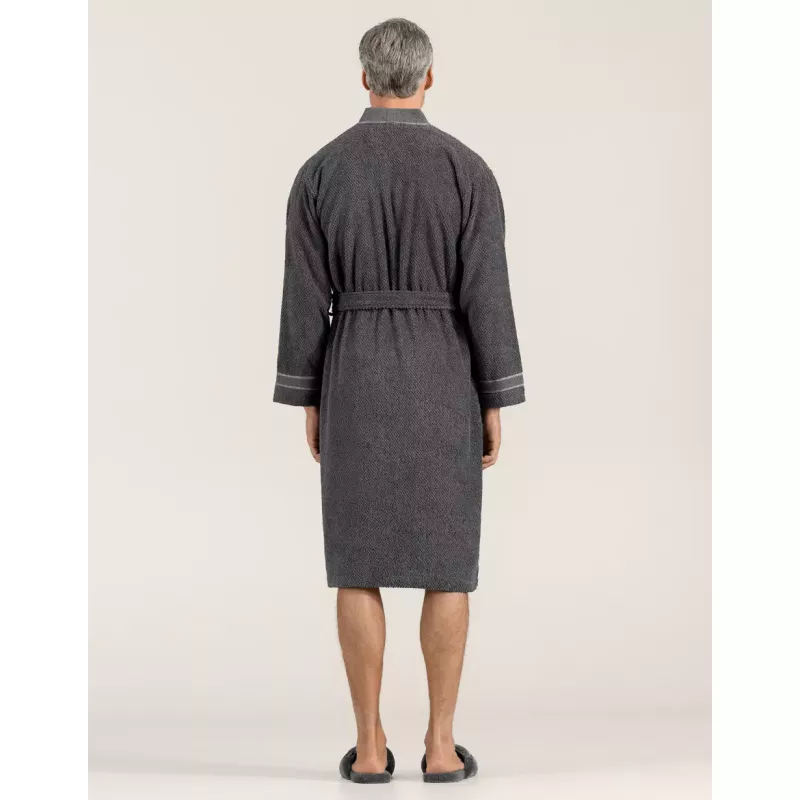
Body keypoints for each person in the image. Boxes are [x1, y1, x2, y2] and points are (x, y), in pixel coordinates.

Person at [273, 18, 524, 784]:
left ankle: (370, 747)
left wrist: (309, 394)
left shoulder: (321, 172)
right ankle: (441, 747)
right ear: (429, 77)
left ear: (364, 77)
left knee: (358, 563)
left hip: (354, 374)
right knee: (448, 566)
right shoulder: (467, 170)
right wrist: (494, 396)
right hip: (445, 375)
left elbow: (304, 299)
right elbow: (487, 295)